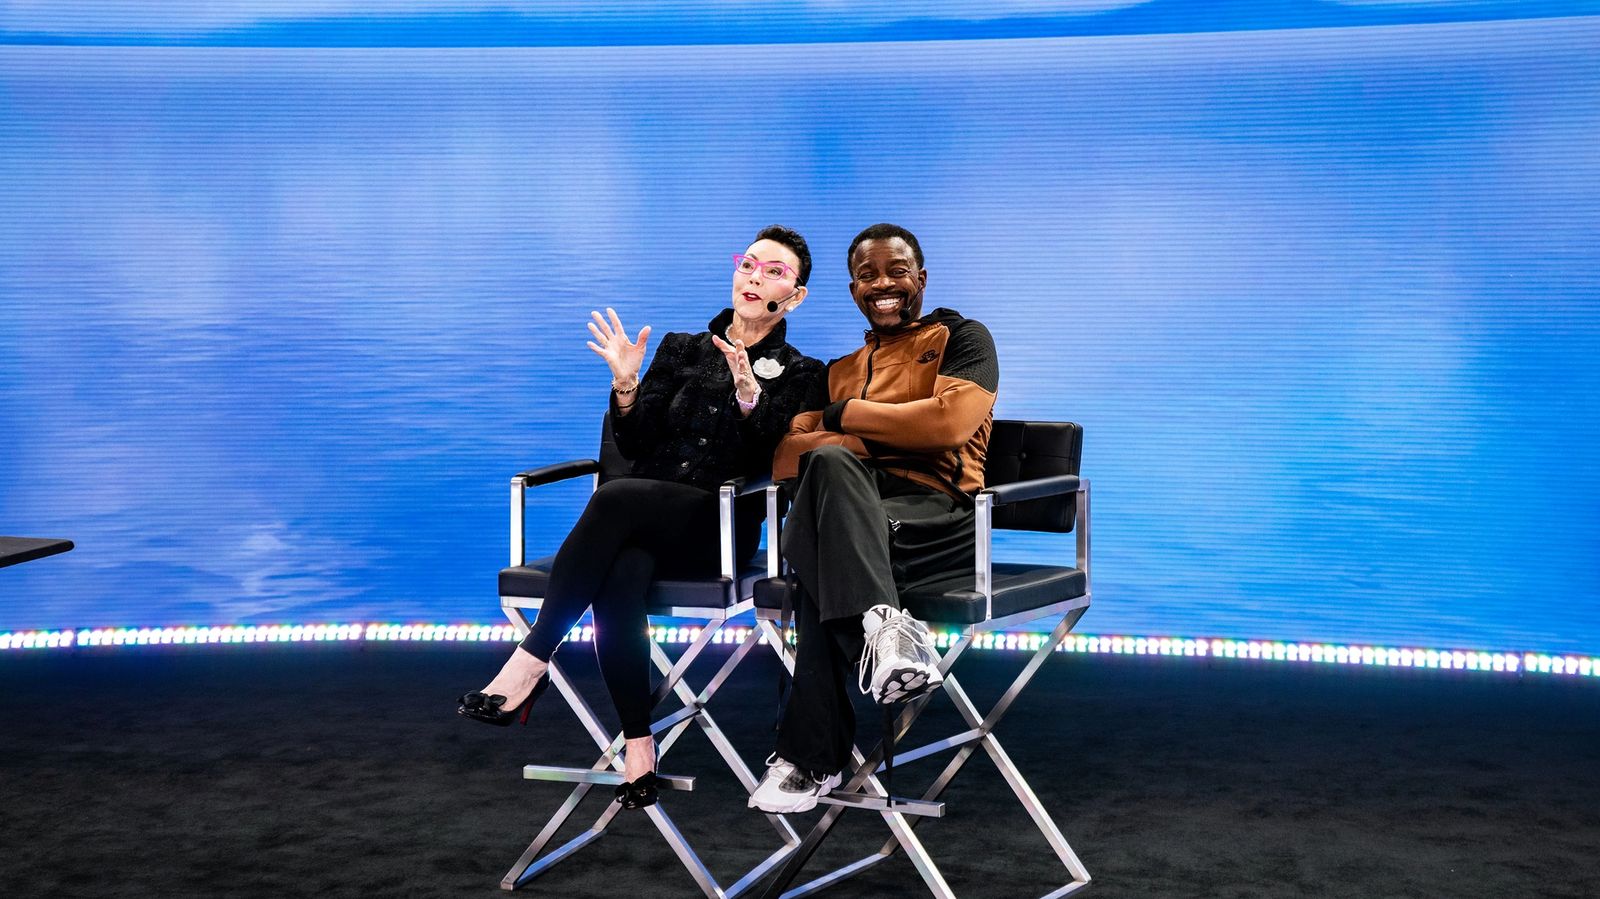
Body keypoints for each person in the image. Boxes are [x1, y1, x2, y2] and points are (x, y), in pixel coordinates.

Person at [459, 225, 825, 811]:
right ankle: (639, 744)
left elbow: (774, 461)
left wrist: (750, 395)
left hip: (718, 526)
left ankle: (531, 659)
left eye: (774, 272)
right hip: (640, 518)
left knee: (614, 497)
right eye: (749, 264)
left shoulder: (805, 371)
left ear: (796, 295)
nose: (755, 277)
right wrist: (626, 387)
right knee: (622, 570)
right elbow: (637, 437)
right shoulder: (681, 347)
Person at [748, 223, 999, 814]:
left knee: (820, 533)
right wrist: (882, 433)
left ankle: (808, 761)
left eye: (896, 272)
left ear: (921, 279)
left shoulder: (962, 337)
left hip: (939, 518)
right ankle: (887, 629)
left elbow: (947, 426)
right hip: (857, 514)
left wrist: (842, 418)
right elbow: (787, 458)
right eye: (867, 275)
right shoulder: (838, 366)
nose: (883, 284)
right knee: (828, 477)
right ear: (853, 287)